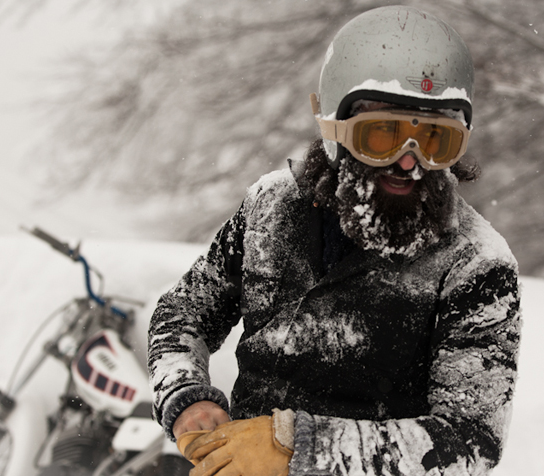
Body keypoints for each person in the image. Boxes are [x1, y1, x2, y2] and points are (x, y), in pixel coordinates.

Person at [148, 5, 522, 476]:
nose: (409, 162)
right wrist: (186, 396)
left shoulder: (476, 266)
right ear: (335, 129)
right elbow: (183, 313)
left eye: (434, 140)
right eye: (381, 135)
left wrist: (297, 448)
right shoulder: (271, 208)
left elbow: (469, 440)